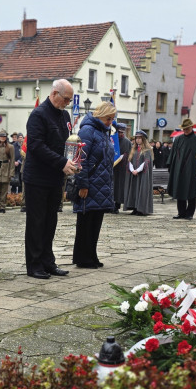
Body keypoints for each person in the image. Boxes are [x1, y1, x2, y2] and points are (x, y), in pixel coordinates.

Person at [24, 79, 79, 279]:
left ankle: (48, 262)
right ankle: (34, 264)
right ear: (55, 93)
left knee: (50, 222)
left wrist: (73, 160)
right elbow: (36, 146)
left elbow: (66, 144)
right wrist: (61, 162)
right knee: (36, 223)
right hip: (37, 177)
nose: (68, 103)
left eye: (70, 100)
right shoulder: (38, 114)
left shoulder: (64, 115)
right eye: (66, 99)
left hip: (55, 177)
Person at [71, 102, 116, 268]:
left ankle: (91, 254)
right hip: (89, 183)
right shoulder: (88, 130)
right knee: (86, 221)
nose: (110, 122)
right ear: (100, 115)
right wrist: (83, 183)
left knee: (96, 221)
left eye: (112, 119)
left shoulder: (103, 132)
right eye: (108, 118)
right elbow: (80, 159)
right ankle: (83, 257)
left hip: (101, 183)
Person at [167, 118, 196, 220]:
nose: (186, 130)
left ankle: (190, 213)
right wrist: (171, 167)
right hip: (179, 169)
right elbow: (173, 154)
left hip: (192, 170)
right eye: (184, 129)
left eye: (187, 128)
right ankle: (181, 212)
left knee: (191, 192)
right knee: (180, 191)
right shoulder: (178, 139)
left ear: (191, 127)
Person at [124, 130, 154, 216]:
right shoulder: (133, 150)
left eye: (140, 138)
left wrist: (138, 170)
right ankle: (134, 208)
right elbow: (129, 161)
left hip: (142, 175)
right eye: (136, 138)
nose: (138, 140)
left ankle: (141, 209)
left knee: (141, 190)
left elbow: (146, 162)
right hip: (134, 174)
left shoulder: (147, 150)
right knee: (134, 190)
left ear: (143, 139)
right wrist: (132, 170)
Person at [0, 130, 15, 213]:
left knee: (4, 190)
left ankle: (2, 206)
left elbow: (12, 160)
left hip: (6, 169)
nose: (2, 138)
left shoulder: (10, 147)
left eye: (4, 136)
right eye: (1, 136)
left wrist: (11, 173)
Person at [111, 122, 131, 213]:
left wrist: (124, 156)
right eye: (119, 132)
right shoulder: (113, 139)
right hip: (112, 167)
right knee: (112, 186)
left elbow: (129, 154)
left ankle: (117, 205)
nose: (120, 134)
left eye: (122, 132)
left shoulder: (127, 142)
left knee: (119, 187)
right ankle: (110, 204)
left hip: (122, 168)